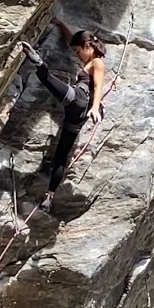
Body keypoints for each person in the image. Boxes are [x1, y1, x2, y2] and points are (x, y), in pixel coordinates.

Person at [19, 16, 107, 212]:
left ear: (87, 46)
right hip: (76, 115)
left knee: (47, 79)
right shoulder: (88, 59)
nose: (77, 54)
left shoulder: (97, 63)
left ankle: (39, 64)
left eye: (78, 51)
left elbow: (98, 85)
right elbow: (71, 42)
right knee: (61, 155)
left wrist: (95, 106)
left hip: (79, 99)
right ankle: (49, 197)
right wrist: (61, 25)